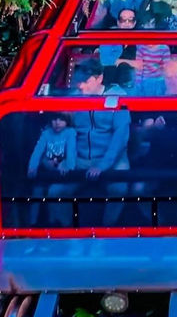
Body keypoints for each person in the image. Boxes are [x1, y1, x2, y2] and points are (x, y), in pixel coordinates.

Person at [49, 59, 131, 227]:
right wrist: (66, 159)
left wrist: (102, 166)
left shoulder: (118, 96)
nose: (81, 87)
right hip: (80, 158)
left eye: (86, 82)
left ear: (99, 78)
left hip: (112, 160)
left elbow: (120, 138)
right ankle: (72, 234)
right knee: (55, 192)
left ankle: (107, 232)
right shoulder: (73, 97)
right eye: (79, 82)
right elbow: (65, 131)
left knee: (119, 188)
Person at [26, 113, 76, 226]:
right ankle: (31, 224)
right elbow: (37, 152)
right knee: (37, 191)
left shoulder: (70, 133)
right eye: (54, 119)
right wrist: (32, 167)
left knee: (54, 193)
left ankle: (54, 222)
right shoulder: (46, 134)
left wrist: (67, 165)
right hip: (47, 174)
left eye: (61, 119)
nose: (57, 122)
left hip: (63, 176)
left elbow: (72, 153)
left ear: (67, 120)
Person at [134, 15, 170, 96]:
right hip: (146, 81)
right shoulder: (141, 47)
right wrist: (138, 83)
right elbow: (139, 67)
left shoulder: (164, 48)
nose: (150, 26)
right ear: (143, 26)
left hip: (159, 81)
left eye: (152, 23)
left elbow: (166, 68)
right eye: (148, 24)